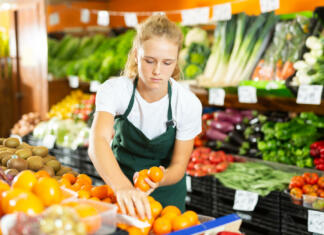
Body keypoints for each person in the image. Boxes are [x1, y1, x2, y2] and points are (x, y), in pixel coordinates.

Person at [88, 15, 202, 220]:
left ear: (176, 61)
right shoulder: (115, 90)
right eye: (149, 61)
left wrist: (158, 179)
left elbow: (178, 166)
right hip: (120, 189)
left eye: (167, 63)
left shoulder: (187, 103)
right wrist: (122, 187)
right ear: (136, 55)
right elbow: (98, 141)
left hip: (167, 200)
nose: (157, 71)